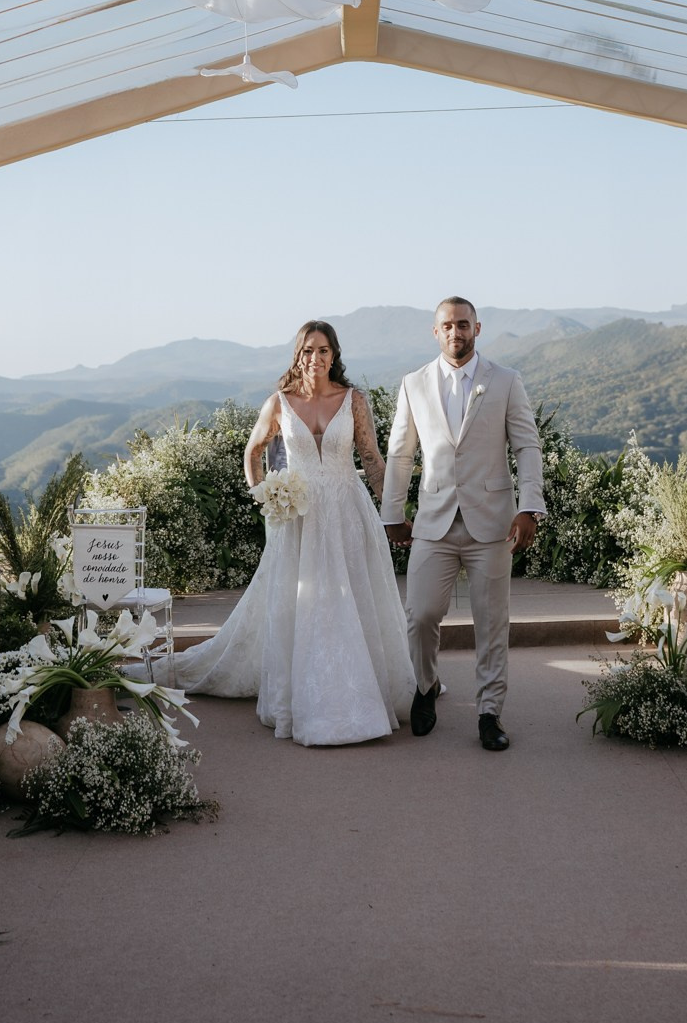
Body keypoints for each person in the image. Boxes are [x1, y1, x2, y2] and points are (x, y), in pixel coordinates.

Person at [172, 320, 414, 745]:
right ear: (297, 355)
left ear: (334, 355)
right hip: (299, 518)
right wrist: (266, 496)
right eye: (307, 351)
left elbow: (372, 459)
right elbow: (253, 453)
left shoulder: (354, 400)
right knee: (305, 601)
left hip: (347, 511)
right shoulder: (279, 403)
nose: (315, 359)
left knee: (355, 596)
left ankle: (365, 690)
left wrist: (393, 511)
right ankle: (307, 697)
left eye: (323, 351)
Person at [382, 296, 545, 753]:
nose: (456, 332)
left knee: (492, 622)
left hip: (492, 524)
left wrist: (529, 507)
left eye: (463, 324)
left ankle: (489, 712)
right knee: (421, 615)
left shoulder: (507, 381)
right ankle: (426, 686)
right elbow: (401, 453)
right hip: (433, 523)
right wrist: (392, 514)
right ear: (436, 333)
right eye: (447, 326)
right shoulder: (413, 384)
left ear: (477, 328)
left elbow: (527, 448)